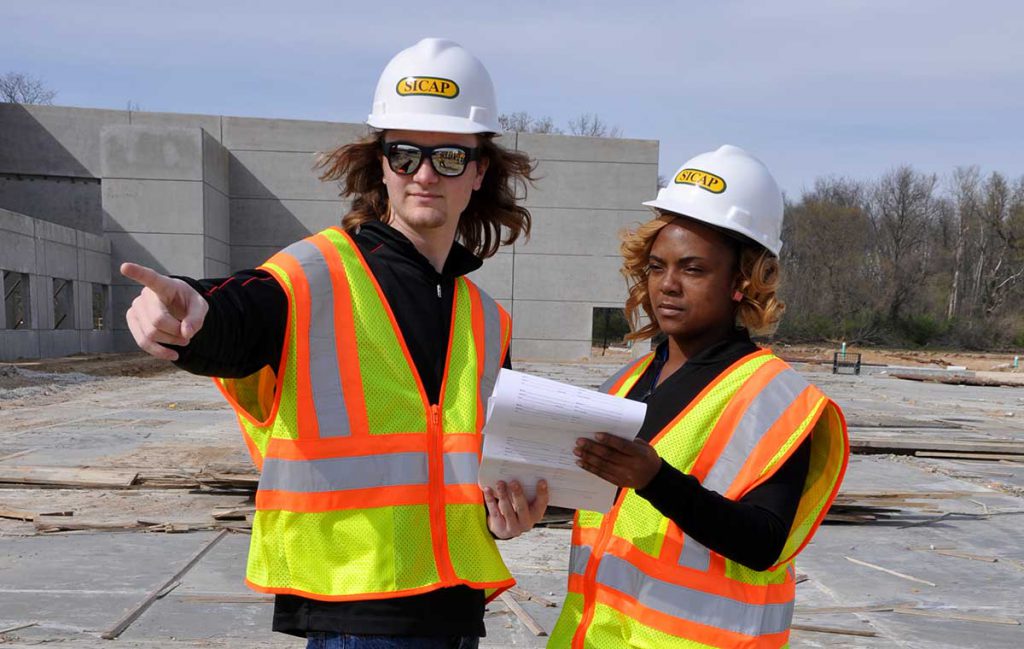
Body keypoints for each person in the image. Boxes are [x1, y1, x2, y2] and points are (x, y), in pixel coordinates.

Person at [121, 38, 549, 648]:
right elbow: (235, 318)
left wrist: (510, 514)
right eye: (405, 154)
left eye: (449, 156)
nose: (424, 174)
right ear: (381, 164)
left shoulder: (486, 318)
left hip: (458, 608)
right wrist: (191, 313)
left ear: (479, 170)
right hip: (356, 612)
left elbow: (482, 466)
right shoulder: (311, 274)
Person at [548, 145, 849, 648]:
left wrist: (657, 480)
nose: (667, 286)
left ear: (741, 281)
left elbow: (763, 543)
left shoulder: (776, 397)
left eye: (693, 269)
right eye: (657, 266)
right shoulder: (626, 382)